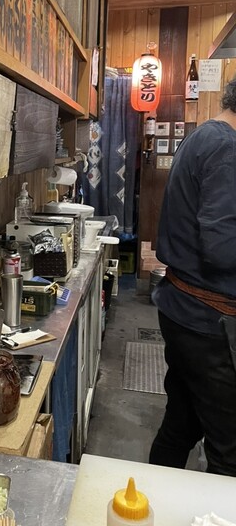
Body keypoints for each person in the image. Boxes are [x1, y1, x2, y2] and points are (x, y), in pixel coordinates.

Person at [149, 76, 236, 477]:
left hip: (185, 310)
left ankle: (149, 501)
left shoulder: (206, 136)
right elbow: (222, 249)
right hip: (208, 321)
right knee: (229, 449)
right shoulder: (227, 148)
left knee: (182, 424)